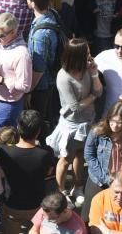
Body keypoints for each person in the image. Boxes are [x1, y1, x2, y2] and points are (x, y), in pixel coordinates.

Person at [47, 38, 102, 204]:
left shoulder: (87, 69)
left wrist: (94, 73)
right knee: (65, 159)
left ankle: (78, 187)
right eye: (86, 54)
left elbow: (99, 89)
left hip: (88, 120)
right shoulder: (63, 77)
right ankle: (61, 190)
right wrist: (93, 96)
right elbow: (75, 107)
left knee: (81, 155)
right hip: (71, 124)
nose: (90, 56)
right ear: (76, 56)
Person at [0, 110, 56, 234]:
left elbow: (1, 172)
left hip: (11, 206)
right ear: (39, 131)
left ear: (18, 128)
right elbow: (48, 172)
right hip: (37, 205)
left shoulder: (4, 152)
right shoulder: (47, 152)